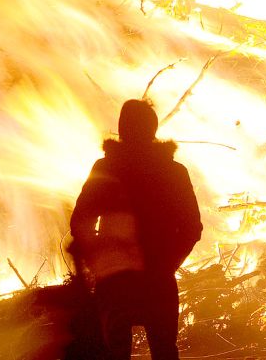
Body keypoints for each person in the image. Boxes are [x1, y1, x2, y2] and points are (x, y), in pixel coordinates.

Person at [70, 99, 203, 360]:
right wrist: (167, 264)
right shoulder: (173, 172)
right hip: (157, 279)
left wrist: (101, 262)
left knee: (114, 353)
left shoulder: (107, 167)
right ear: (152, 130)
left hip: (116, 281)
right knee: (164, 352)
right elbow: (192, 228)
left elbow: (80, 221)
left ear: (122, 129)